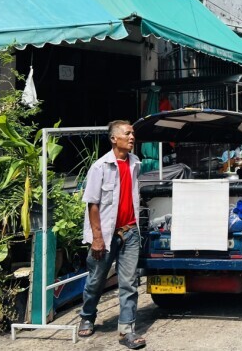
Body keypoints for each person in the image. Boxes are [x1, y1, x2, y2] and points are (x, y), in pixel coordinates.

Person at [78, 120, 146, 349]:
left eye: (133, 133)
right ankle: (87, 315)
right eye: (127, 133)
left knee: (129, 283)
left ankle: (127, 330)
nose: (132, 137)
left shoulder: (135, 163)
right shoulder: (100, 167)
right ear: (114, 138)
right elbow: (92, 205)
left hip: (131, 232)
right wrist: (97, 238)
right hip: (106, 235)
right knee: (96, 280)